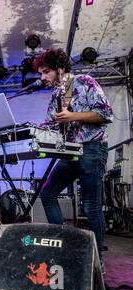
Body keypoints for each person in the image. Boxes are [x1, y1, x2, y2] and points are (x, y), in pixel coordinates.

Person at [34, 48, 113, 274]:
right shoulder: (56, 95)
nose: (43, 78)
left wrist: (73, 116)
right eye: (41, 74)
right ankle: (62, 246)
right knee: (47, 193)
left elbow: (105, 113)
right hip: (69, 152)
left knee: (91, 206)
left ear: (60, 69)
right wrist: (22, 132)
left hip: (92, 148)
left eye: (46, 72)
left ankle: (98, 263)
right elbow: (48, 124)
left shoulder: (84, 82)